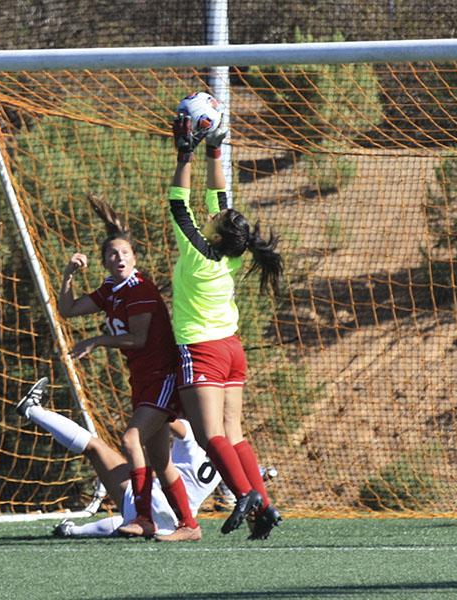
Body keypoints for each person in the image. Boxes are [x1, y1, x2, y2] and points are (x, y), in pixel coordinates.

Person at [52, 193, 200, 541]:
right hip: (143, 379)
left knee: (130, 438)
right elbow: (68, 310)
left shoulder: (140, 289)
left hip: (162, 375)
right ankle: (189, 526)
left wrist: (96, 341)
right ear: (104, 261)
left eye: (124, 253)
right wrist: (68, 274)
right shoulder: (110, 289)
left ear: (135, 258)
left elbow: (138, 339)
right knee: (161, 461)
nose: (118, 258)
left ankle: (145, 518)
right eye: (112, 254)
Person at [166, 102, 284, 540]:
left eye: (215, 218)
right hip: (232, 349)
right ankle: (264, 506)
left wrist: (185, 154)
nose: (212, 214)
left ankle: (244, 494)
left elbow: (179, 202)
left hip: (203, 349)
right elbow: (221, 201)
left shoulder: (198, 253)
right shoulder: (232, 254)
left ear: (216, 231)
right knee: (232, 431)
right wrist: (215, 151)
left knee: (206, 431)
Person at [15, 378, 220, 539]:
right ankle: (72, 531)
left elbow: (166, 415)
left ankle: (32, 409)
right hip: (174, 521)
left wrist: (157, 402)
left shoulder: (193, 432)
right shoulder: (225, 459)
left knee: (95, 447)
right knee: (128, 516)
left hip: (158, 503)